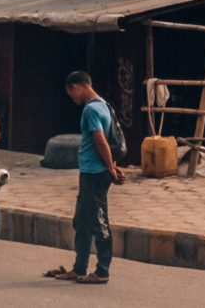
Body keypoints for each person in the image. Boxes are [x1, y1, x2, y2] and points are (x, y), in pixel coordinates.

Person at [48, 70, 125, 286]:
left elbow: (101, 141)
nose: (73, 98)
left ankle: (102, 271)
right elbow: (111, 141)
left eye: (71, 93)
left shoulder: (91, 110)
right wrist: (113, 166)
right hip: (92, 172)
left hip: (95, 173)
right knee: (81, 220)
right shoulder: (104, 105)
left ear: (77, 86)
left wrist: (111, 169)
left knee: (98, 221)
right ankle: (79, 268)